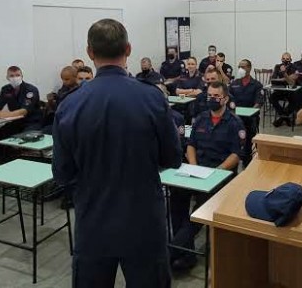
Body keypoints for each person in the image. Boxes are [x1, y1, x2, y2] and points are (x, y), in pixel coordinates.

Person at [53, 19, 182, 288]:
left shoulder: (69, 105)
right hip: (143, 219)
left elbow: (62, 174)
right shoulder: (152, 98)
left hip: (93, 221)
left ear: (89, 52)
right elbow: (172, 158)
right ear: (129, 49)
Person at [170, 81, 244, 271]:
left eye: (216, 96)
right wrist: (194, 168)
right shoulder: (201, 118)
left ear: (225, 99)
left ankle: (173, 251)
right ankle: (186, 252)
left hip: (220, 175)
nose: (212, 99)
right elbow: (191, 145)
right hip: (197, 170)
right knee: (176, 197)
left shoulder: (235, 123)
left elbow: (236, 155)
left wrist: (215, 173)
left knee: (199, 210)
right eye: (209, 96)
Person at [0, 66, 42, 164]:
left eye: (17, 75)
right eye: (11, 75)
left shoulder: (30, 90)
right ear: (7, 77)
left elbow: (24, 111)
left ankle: (18, 165)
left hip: (32, 122)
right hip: (16, 122)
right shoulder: (6, 89)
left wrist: (1, 115)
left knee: (21, 141)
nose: (15, 77)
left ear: (22, 76)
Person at [229, 59, 263, 166]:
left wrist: (250, 112)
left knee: (248, 140)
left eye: (243, 67)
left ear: (249, 68)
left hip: (250, 118)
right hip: (235, 116)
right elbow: (229, 99)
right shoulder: (234, 84)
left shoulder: (256, 85)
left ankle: (246, 159)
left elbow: (259, 102)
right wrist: (233, 109)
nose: (240, 69)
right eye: (239, 67)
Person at [42, 66, 80, 133]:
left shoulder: (80, 90)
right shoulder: (63, 89)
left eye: (67, 79)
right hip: (61, 119)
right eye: (62, 79)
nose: (64, 82)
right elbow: (58, 107)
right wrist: (51, 101)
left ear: (75, 77)